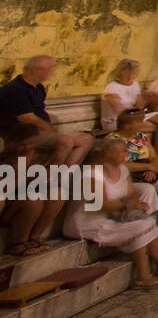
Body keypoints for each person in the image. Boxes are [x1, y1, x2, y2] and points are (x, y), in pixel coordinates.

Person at [0, 55, 94, 257]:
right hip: (12, 195)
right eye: (47, 69)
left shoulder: (39, 89)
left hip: (34, 148)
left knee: (59, 193)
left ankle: (34, 238)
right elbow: (8, 187)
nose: (50, 73)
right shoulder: (14, 90)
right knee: (33, 199)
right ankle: (17, 243)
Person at [62, 135, 158, 288]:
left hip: (108, 217)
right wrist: (128, 205)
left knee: (148, 221)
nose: (126, 154)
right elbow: (100, 205)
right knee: (139, 227)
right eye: (121, 151)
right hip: (85, 223)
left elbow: (130, 193)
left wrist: (137, 203)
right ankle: (142, 276)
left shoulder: (122, 169)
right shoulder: (91, 174)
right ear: (107, 154)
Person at [113, 114, 158, 238]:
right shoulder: (114, 140)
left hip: (145, 172)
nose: (142, 124)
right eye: (138, 122)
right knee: (147, 189)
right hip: (126, 177)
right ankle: (140, 231)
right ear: (127, 125)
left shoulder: (142, 137)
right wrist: (148, 167)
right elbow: (120, 165)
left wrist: (152, 169)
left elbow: (154, 157)